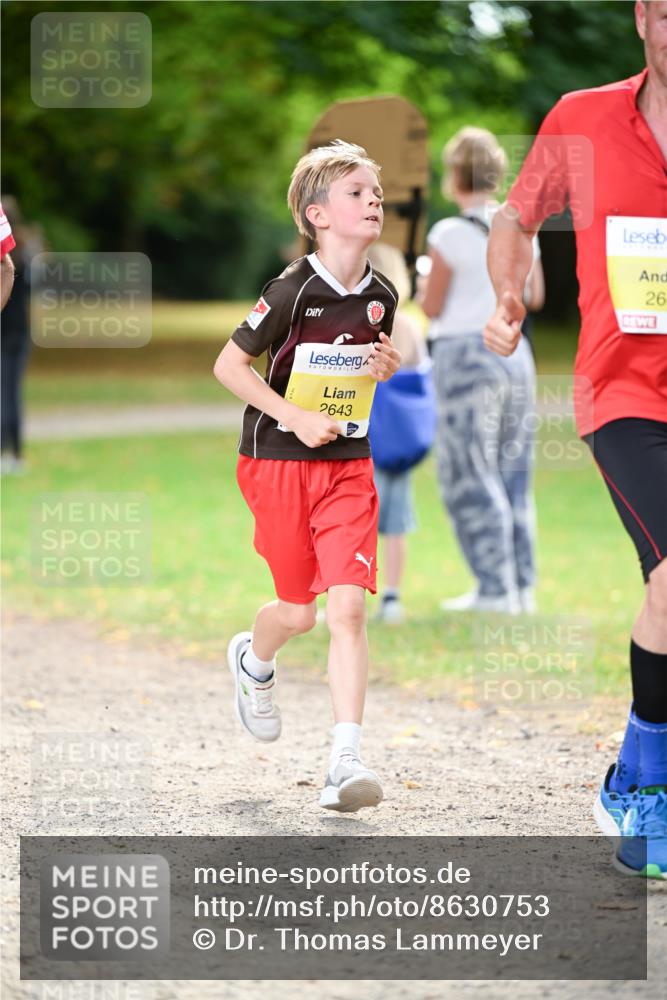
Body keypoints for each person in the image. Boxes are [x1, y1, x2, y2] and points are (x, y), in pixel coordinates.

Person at [484, 0, 667, 878]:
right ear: (641, 16)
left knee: (665, 592)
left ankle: (633, 774)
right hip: (621, 389)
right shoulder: (582, 117)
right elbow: (516, 217)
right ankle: (651, 788)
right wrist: (509, 295)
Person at [213, 140, 401, 812]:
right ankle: (253, 661)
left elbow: (366, 364)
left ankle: (344, 761)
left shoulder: (383, 294)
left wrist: (385, 365)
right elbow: (229, 368)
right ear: (317, 214)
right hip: (277, 464)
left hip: (348, 466)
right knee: (297, 611)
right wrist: (291, 415)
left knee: (347, 608)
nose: (372, 201)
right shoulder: (290, 289)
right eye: (357, 192)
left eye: (376, 193)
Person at [420, 127, 544, 615]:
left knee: (468, 471)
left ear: (454, 176)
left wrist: (422, 280)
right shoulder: (518, 225)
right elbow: (532, 297)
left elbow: (431, 306)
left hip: (464, 356)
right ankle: (520, 585)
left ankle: (493, 587)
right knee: (513, 469)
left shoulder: (447, 234)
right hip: (515, 355)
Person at [367, 242, 429, 624]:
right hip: (400, 441)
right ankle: (392, 596)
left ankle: (350, 592)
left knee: (359, 520)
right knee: (396, 522)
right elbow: (422, 374)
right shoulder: (409, 325)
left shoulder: (372, 325)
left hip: (370, 438)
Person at [1, 197, 35, 475]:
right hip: (21, 331)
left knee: (3, 395)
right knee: (13, 395)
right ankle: (16, 454)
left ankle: (3, 454)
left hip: (4, 331)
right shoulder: (26, 250)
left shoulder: (8, 255)